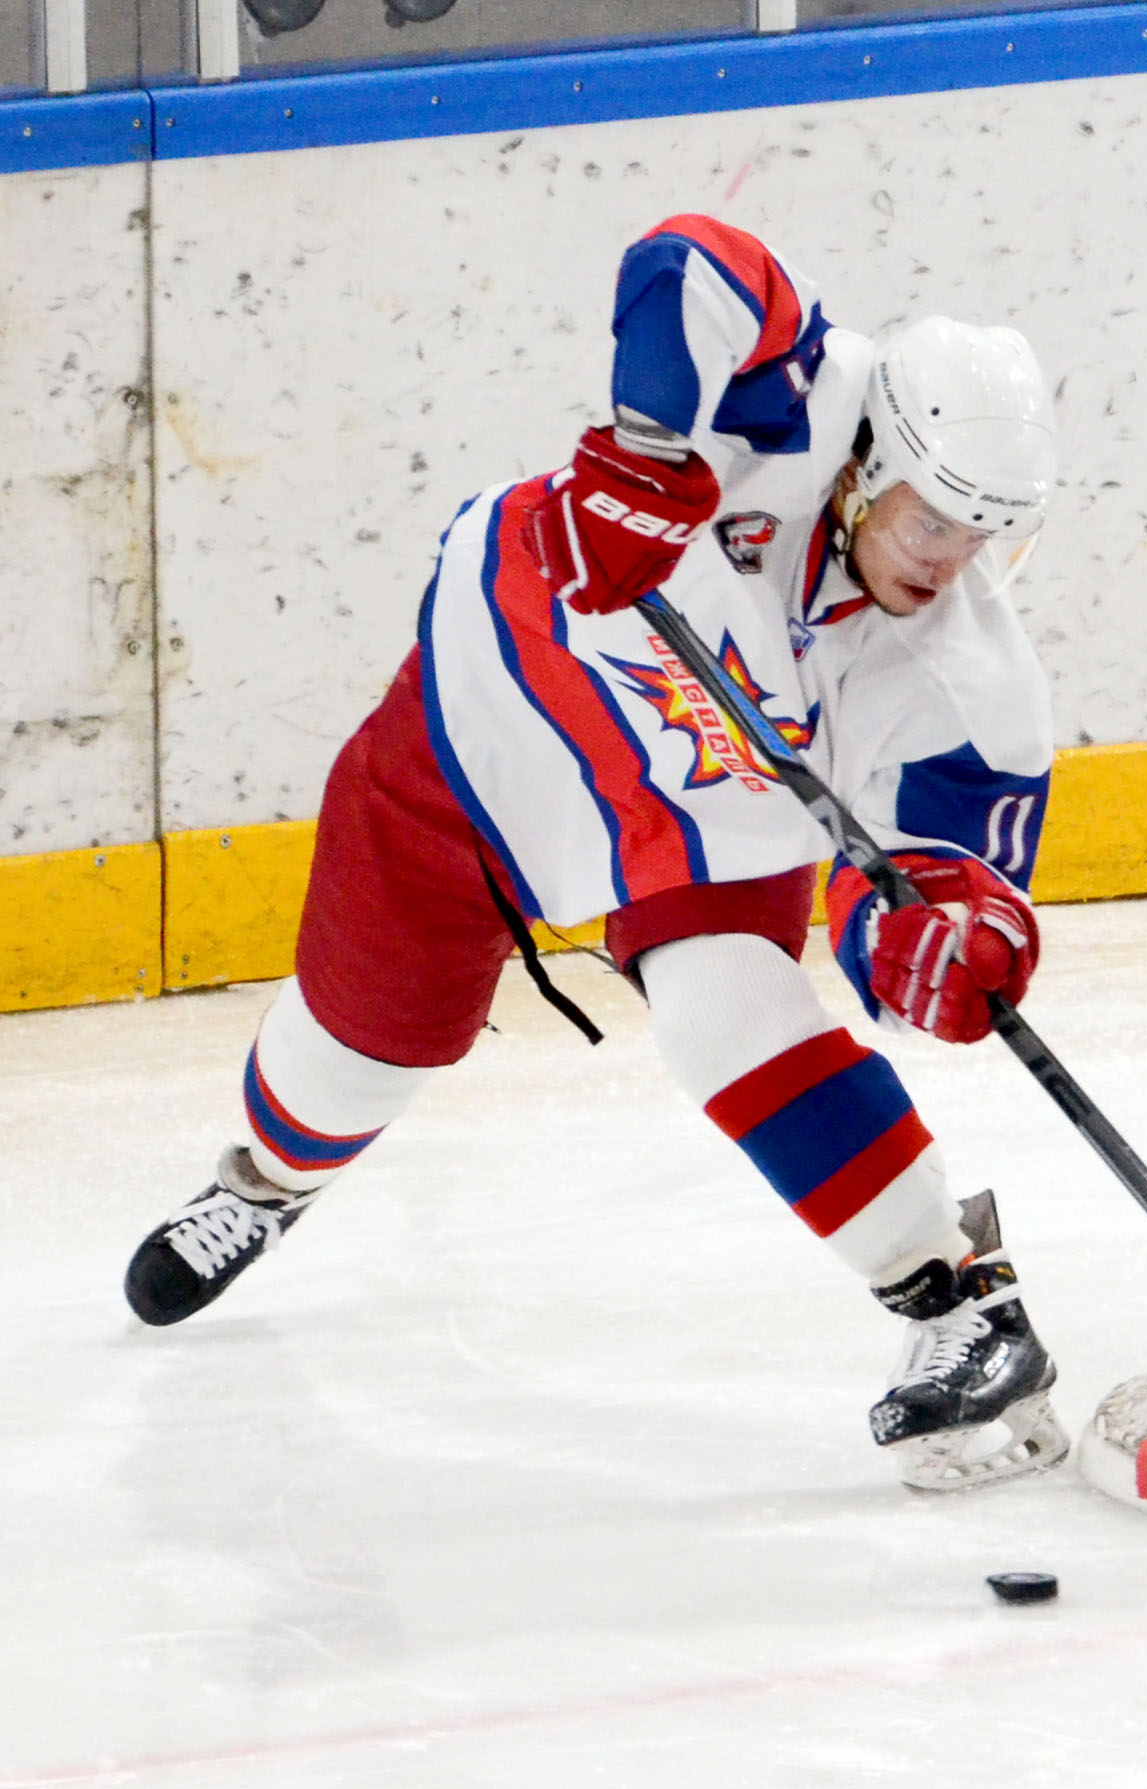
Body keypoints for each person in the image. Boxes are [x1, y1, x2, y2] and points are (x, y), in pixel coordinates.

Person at [124, 215, 1071, 1493]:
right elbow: (685, 261)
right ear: (866, 461)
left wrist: (930, 944)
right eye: (932, 518)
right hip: (498, 707)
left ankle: (957, 1304)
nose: (949, 561)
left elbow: (934, 879)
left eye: (982, 535)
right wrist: (644, 455)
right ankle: (266, 1180)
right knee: (357, 1041)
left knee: (726, 1014)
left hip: (700, 815)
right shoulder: (796, 395)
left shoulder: (967, 682)